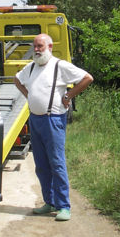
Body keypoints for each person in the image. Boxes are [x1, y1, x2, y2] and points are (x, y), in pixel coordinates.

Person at [13, 33, 93, 221]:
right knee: (41, 164)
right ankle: (49, 202)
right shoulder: (31, 67)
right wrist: (29, 95)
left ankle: (63, 205)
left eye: (40, 46)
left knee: (56, 163)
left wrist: (68, 96)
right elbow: (17, 80)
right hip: (35, 120)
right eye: (35, 46)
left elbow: (87, 78)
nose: (37, 49)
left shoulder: (60, 65)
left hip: (53, 120)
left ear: (50, 47)